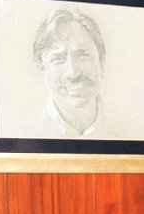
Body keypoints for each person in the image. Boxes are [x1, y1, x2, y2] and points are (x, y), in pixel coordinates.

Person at [32, 7, 106, 138]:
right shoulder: (28, 133)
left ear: (101, 62)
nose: (73, 73)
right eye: (58, 59)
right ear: (42, 70)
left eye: (83, 55)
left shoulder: (131, 129)